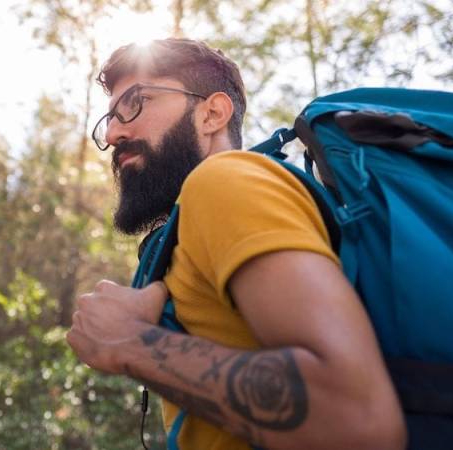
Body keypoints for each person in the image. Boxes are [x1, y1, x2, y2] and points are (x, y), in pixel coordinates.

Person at [66, 38, 406, 450]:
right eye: (111, 119)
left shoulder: (224, 181)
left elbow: (359, 419)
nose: (116, 132)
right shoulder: (195, 222)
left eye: (138, 102)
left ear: (212, 113)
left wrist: (133, 344)